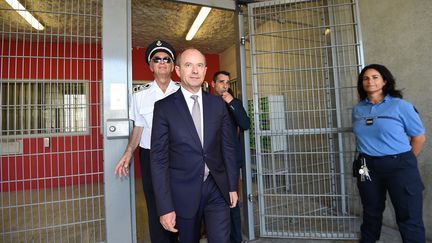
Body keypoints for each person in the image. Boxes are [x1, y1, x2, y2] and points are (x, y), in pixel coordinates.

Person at [150, 48, 239, 243]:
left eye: (199, 65)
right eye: (188, 65)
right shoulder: (164, 108)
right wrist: (165, 207)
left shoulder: (218, 105)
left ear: (206, 70)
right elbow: (158, 160)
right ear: (178, 70)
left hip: (216, 187)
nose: (195, 71)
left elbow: (228, 148)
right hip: (183, 191)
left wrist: (232, 185)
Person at [352, 64, 426, 243]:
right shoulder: (358, 109)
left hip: (399, 166)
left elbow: (419, 137)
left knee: (408, 214)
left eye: (375, 77)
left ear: (385, 81)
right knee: (370, 211)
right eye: (365, 78)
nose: (370, 81)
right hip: (366, 166)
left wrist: (404, 161)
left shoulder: (401, 106)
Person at [114, 40, 179, 243]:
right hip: (151, 157)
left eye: (166, 59)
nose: (162, 62)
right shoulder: (140, 95)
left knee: (182, 202)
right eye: (157, 59)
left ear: (173, 66)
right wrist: (128, 152)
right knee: (156, 205)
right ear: (151, 66)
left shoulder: (183, 92)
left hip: (180, 156)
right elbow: (139, 128)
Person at [212, 71, 250, 243]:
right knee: (211, 199)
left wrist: (231, 102)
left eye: (227, 82)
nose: (225, 85)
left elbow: (245, 124)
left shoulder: (234, 103)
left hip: (230, 162)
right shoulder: (206, 102)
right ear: (213, 84)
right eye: (221, 82)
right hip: (210, 161)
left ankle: (235, 238)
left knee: (232, 200)